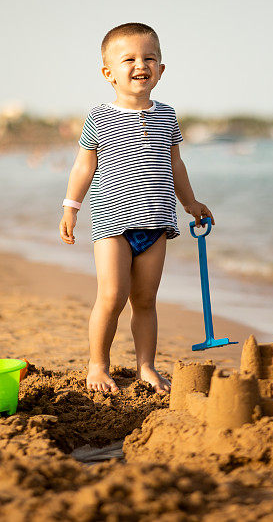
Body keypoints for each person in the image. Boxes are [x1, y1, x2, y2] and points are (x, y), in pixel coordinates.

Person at [59, 22, 214, 394]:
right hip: (113, 226)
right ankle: (98, 365)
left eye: (149, 58)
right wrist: (71, 207)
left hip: (157, 225)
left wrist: (190, 202)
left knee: (145, 301)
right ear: (108, 73)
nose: (140, 64)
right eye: (128, 58)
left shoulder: (167, 115)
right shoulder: (99, 116)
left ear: (160, 70)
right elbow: (84, 165)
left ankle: (146, 365)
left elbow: (176, 165)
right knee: (111, 297)